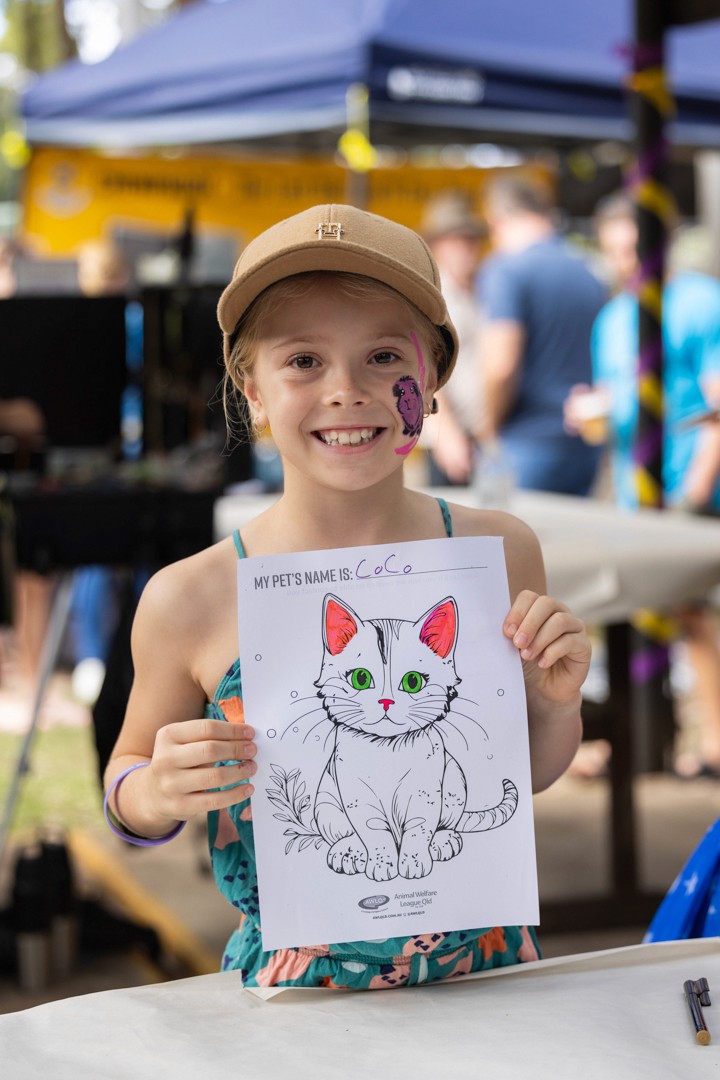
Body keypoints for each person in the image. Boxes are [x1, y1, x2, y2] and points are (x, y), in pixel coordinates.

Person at [103, 204, 590, 990]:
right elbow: (126, 785)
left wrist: (558, 705)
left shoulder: (497, 552)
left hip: (488, 983)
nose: (346, 391)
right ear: (251, 388)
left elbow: (523, 772)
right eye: (302, 361)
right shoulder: (189, 596)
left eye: (384, 357)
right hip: (295, 1001)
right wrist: (155, 791)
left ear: (429, 382)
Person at [566, 194, 720, 780]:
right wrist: (590, 413)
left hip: (689, 490)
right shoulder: (614, 316)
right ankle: (650, 740)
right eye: (613, 252)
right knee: (647, 611)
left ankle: (713, 747)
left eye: (632, 249)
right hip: (637, 489)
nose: (625, 262)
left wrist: (696, 491)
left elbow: (717, 402)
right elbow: (619, 398)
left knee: (691, 614)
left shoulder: (701, 302)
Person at [477, 177, 607, 494]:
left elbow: (502, 365)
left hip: (525, 441)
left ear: (497, 220)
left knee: (512, 542)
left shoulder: (506, 269)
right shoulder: (589, 270)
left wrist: (488, 427)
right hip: (583, 440)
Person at [419, 190, 486, 484]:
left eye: (470, 239)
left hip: (483, 430)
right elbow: (426, 365)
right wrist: (447, 432)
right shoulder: (434, 296)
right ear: (437, 245)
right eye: (455, 239)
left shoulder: (484, 288)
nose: (464, 248)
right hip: (450, 434)